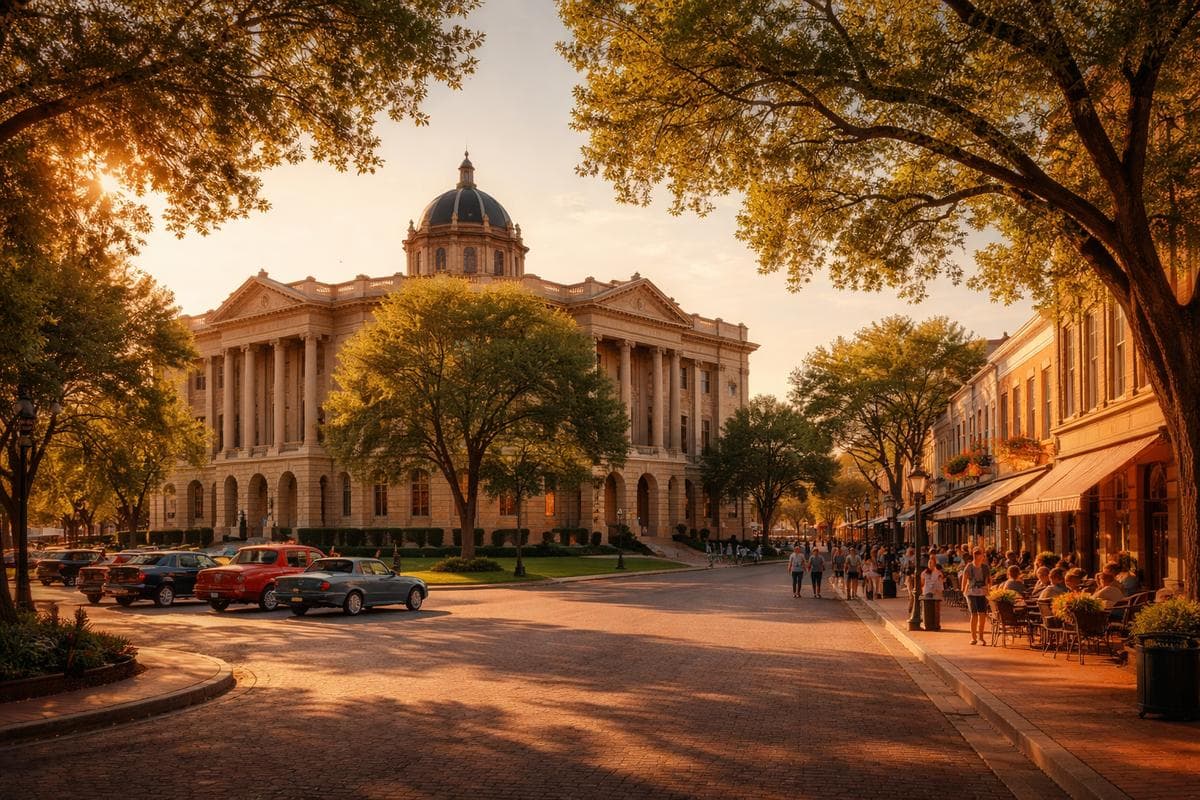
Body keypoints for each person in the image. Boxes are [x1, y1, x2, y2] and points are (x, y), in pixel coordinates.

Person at [961, 548, 992, 645]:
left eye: (979, 554)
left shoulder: (985, 567)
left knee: (982, 615)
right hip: (971, 592)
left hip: (982, 592)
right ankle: (973, 637)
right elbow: (964, 579)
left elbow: (989, 580)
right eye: (975, 554)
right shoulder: (969, 566)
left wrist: (989, 590)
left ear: (982, 556)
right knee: (974, 614)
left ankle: (981, 637)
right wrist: (963, 591)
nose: (977, 556)